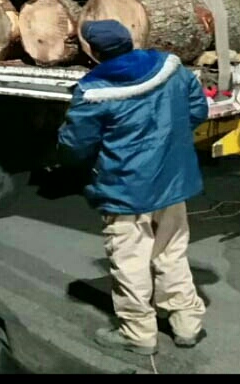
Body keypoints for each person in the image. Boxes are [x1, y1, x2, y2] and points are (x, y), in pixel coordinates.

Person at [57, 20, 209, 356]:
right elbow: (197, 110)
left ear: (94, 53)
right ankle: (187, 323)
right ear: (130, 41)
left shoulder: (94, 91)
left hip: (125, 188)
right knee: (171, 250)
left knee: (130, 259)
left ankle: (139, 333)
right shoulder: (170, 68)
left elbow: (74, 146)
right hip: (172, 180)